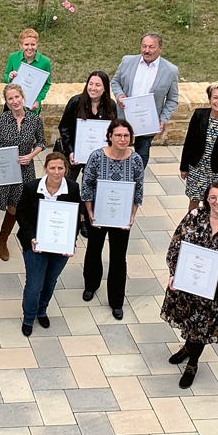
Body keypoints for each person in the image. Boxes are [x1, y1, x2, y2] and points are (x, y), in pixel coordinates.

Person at [160, 181, 218, 389]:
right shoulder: (194, 217)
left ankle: (192, 363)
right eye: (213, 197)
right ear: (206, 199)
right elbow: (176, 245)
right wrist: (173, 273)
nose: (217, 202)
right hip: (189, 284)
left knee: (202, 327)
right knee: (189, 322)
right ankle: (187, 347)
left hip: (217, 291)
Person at [81, 119, 145, 320]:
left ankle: (116, 301)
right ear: (110, 136)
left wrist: (132, 216)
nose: (122, 139)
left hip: (121, 217)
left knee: (118, 258)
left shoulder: (135, 160)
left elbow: (138, 190)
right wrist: (90, 212)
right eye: (118, 135)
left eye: (126, 135)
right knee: (94, 250)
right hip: (98, 214)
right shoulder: (97, 156)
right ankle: (91, 285)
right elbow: (87, 185)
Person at [0, 84, 46, 265]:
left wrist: (31, 155)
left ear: (22, 97)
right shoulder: (0, 120)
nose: (14, 101)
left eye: (17, 97)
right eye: (10, 99)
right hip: (1, 169)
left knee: (14, 208)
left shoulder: (34, 120)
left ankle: (2, 240)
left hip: (24, 172)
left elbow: (42, 143)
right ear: (6, 101)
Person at [16, 153, 81, 336]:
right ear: (46, 168)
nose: (56, 172)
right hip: (36, 244)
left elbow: (75, 217)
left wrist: (72, 242)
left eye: (60, 168)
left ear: (65, 169)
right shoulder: (32, 187)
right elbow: (21, 213)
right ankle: (29, 317)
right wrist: (31, 237)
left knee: (50, 280)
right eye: (52, 168)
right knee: (34, 284)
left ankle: (41, 310)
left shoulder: (73, 188)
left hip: (61, 245)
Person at [111, 32, 179, 167]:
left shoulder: (170, 70)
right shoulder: (127, 61)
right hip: (123, 116)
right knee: (117, 149)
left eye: (151, 47)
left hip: (148, 121)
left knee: (142, 154)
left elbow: (172, 99)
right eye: (144, 46)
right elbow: (115, 82)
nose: (147, 50)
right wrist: (119, 95)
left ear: (160, 48)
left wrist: (163, 119)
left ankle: (137, 180)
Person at [180, 83, 218, 212]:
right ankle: (190, 227)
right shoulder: (199, 115)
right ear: (209, 99)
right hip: (196, 167)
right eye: (215, 97)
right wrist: (184, 166)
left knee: (213, 203)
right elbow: (189, 141)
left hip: (215, 171)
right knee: (194, 200)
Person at [57, 71, 118, 182]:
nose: (93, 88)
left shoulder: (111, 106)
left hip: (98, 157)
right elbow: (64, 128)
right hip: (74, 155)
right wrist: (71, 151)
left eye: (98, 85)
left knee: (91, 186)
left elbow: (113, 131)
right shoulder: (76, 102)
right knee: (67, 184)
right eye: (90, 84)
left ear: (105, 88)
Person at [3, 29, 51, 113]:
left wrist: (38, 100)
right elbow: (6, 76)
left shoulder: (45, 62)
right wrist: (9, 78)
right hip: (12, 105)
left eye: (33, 44)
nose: (30, 48)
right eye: (26, 44)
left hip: (31, 107)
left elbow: (46, 84)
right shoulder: (13, 57)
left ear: (37, 45)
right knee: (7, 126)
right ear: (20, 45)